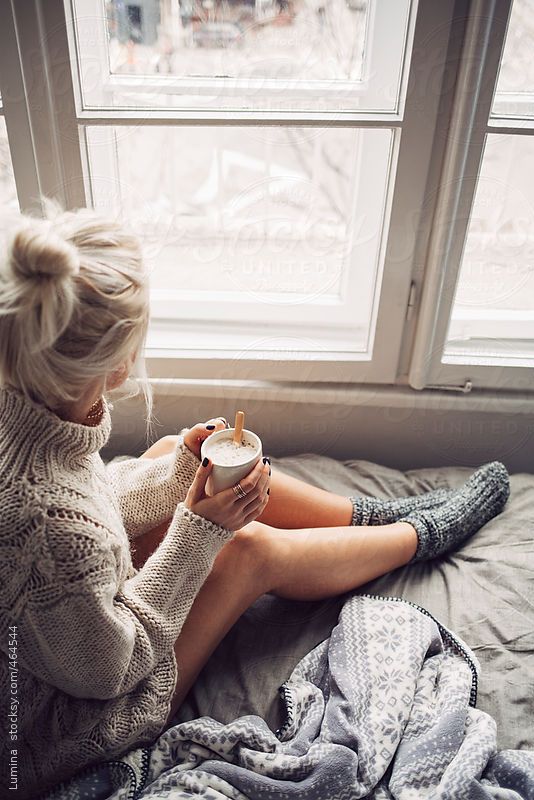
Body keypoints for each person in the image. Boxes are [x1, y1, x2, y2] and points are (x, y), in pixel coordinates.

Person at [0, 200, 510, 799]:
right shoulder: (47, 526)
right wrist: (198, 532)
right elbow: (116, 666)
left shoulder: (29, 403)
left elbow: (92, 500)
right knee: (248, 549)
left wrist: (176, 478)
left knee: (174, 453)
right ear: (109, 363)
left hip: (62, 637)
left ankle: (379, 516)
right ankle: (422, 536)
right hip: (72, 722)